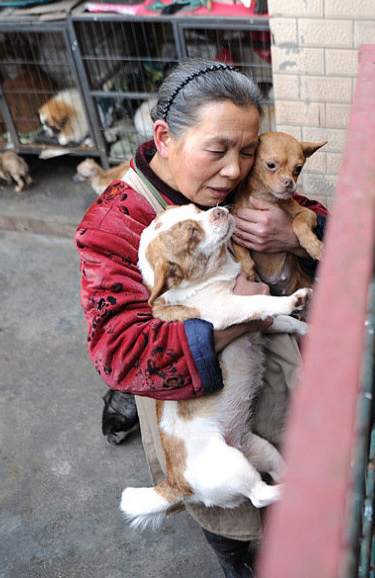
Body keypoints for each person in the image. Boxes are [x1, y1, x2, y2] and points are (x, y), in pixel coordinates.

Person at [75, 58, 327, 577]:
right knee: (224, 512)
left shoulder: (239, 186)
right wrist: (244, 316)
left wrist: (288, 237)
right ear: (164, 137)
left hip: (276, 379)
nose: (235, 170)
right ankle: (236, 562)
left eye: (249, 149)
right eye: (217, 150)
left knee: (286, 491)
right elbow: (120, 357)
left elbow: (321, 221)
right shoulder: (115, 224)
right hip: (196, 413)